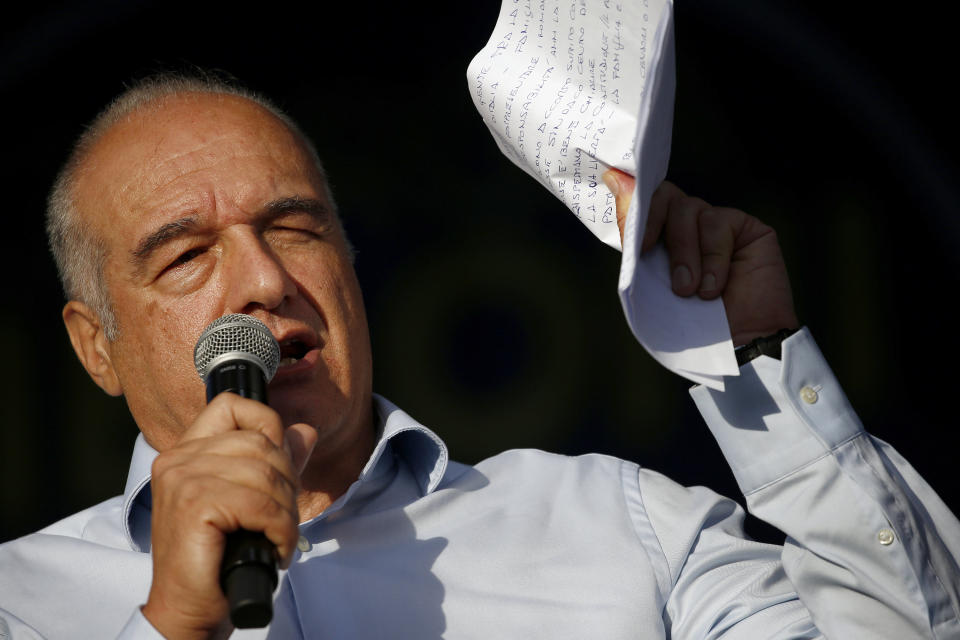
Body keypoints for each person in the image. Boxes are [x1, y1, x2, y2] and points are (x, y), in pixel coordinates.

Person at [0, 72, 957, 639]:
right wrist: (175, 623)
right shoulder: (23, 601)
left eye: (295, 229)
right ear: (97, 348)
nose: (260, 280)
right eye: (185, 255)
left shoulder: (624, 529)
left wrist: (755, 353)